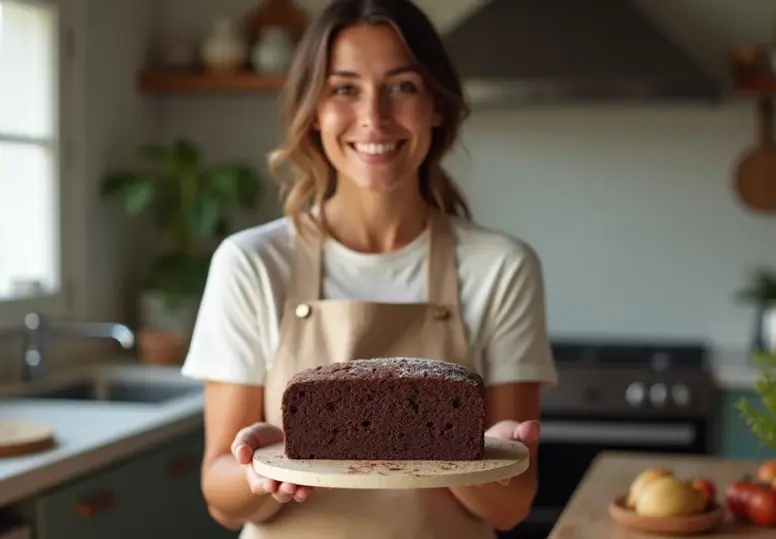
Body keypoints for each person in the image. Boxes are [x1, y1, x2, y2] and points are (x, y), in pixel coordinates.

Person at [181, 0, 559, 537]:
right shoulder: (252, 264)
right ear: (313, 110)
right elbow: (221, 498)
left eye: (402, 86)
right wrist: (265, 467)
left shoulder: (501, 267)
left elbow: (510, 508)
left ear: (435, 105)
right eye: (344, 88)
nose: (373, 116)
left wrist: (472, 453)